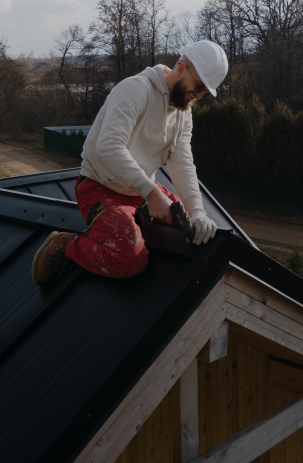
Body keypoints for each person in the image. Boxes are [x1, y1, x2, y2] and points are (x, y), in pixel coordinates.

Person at [31, 40, 228, 285]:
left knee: (189, 228)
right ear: (182, 68)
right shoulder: (136, 89)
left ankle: (140, 212)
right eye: (198, 86)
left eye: (205, 93)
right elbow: (108, 148)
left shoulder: (182, 111)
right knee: (129, 261)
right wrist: (153, 194)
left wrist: (198, 211)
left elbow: (183, 162)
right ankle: (66, 245)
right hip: (100, 187)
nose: (198, 96)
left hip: (140, 191)